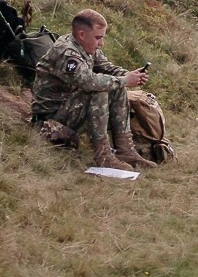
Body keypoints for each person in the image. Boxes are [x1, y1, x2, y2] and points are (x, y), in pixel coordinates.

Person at [30, 9, 151, 171]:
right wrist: (124, 80)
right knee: (99, 91)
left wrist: (129, 75)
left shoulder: (86, 47)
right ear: (82, 35)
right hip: (52, 117)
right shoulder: (66, 53)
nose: (101, 43)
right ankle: (103, 155)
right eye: (98, 38)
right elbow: (89, 82)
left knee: (117, 87)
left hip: (70, 107)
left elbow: (106, 68)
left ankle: (125, 150)